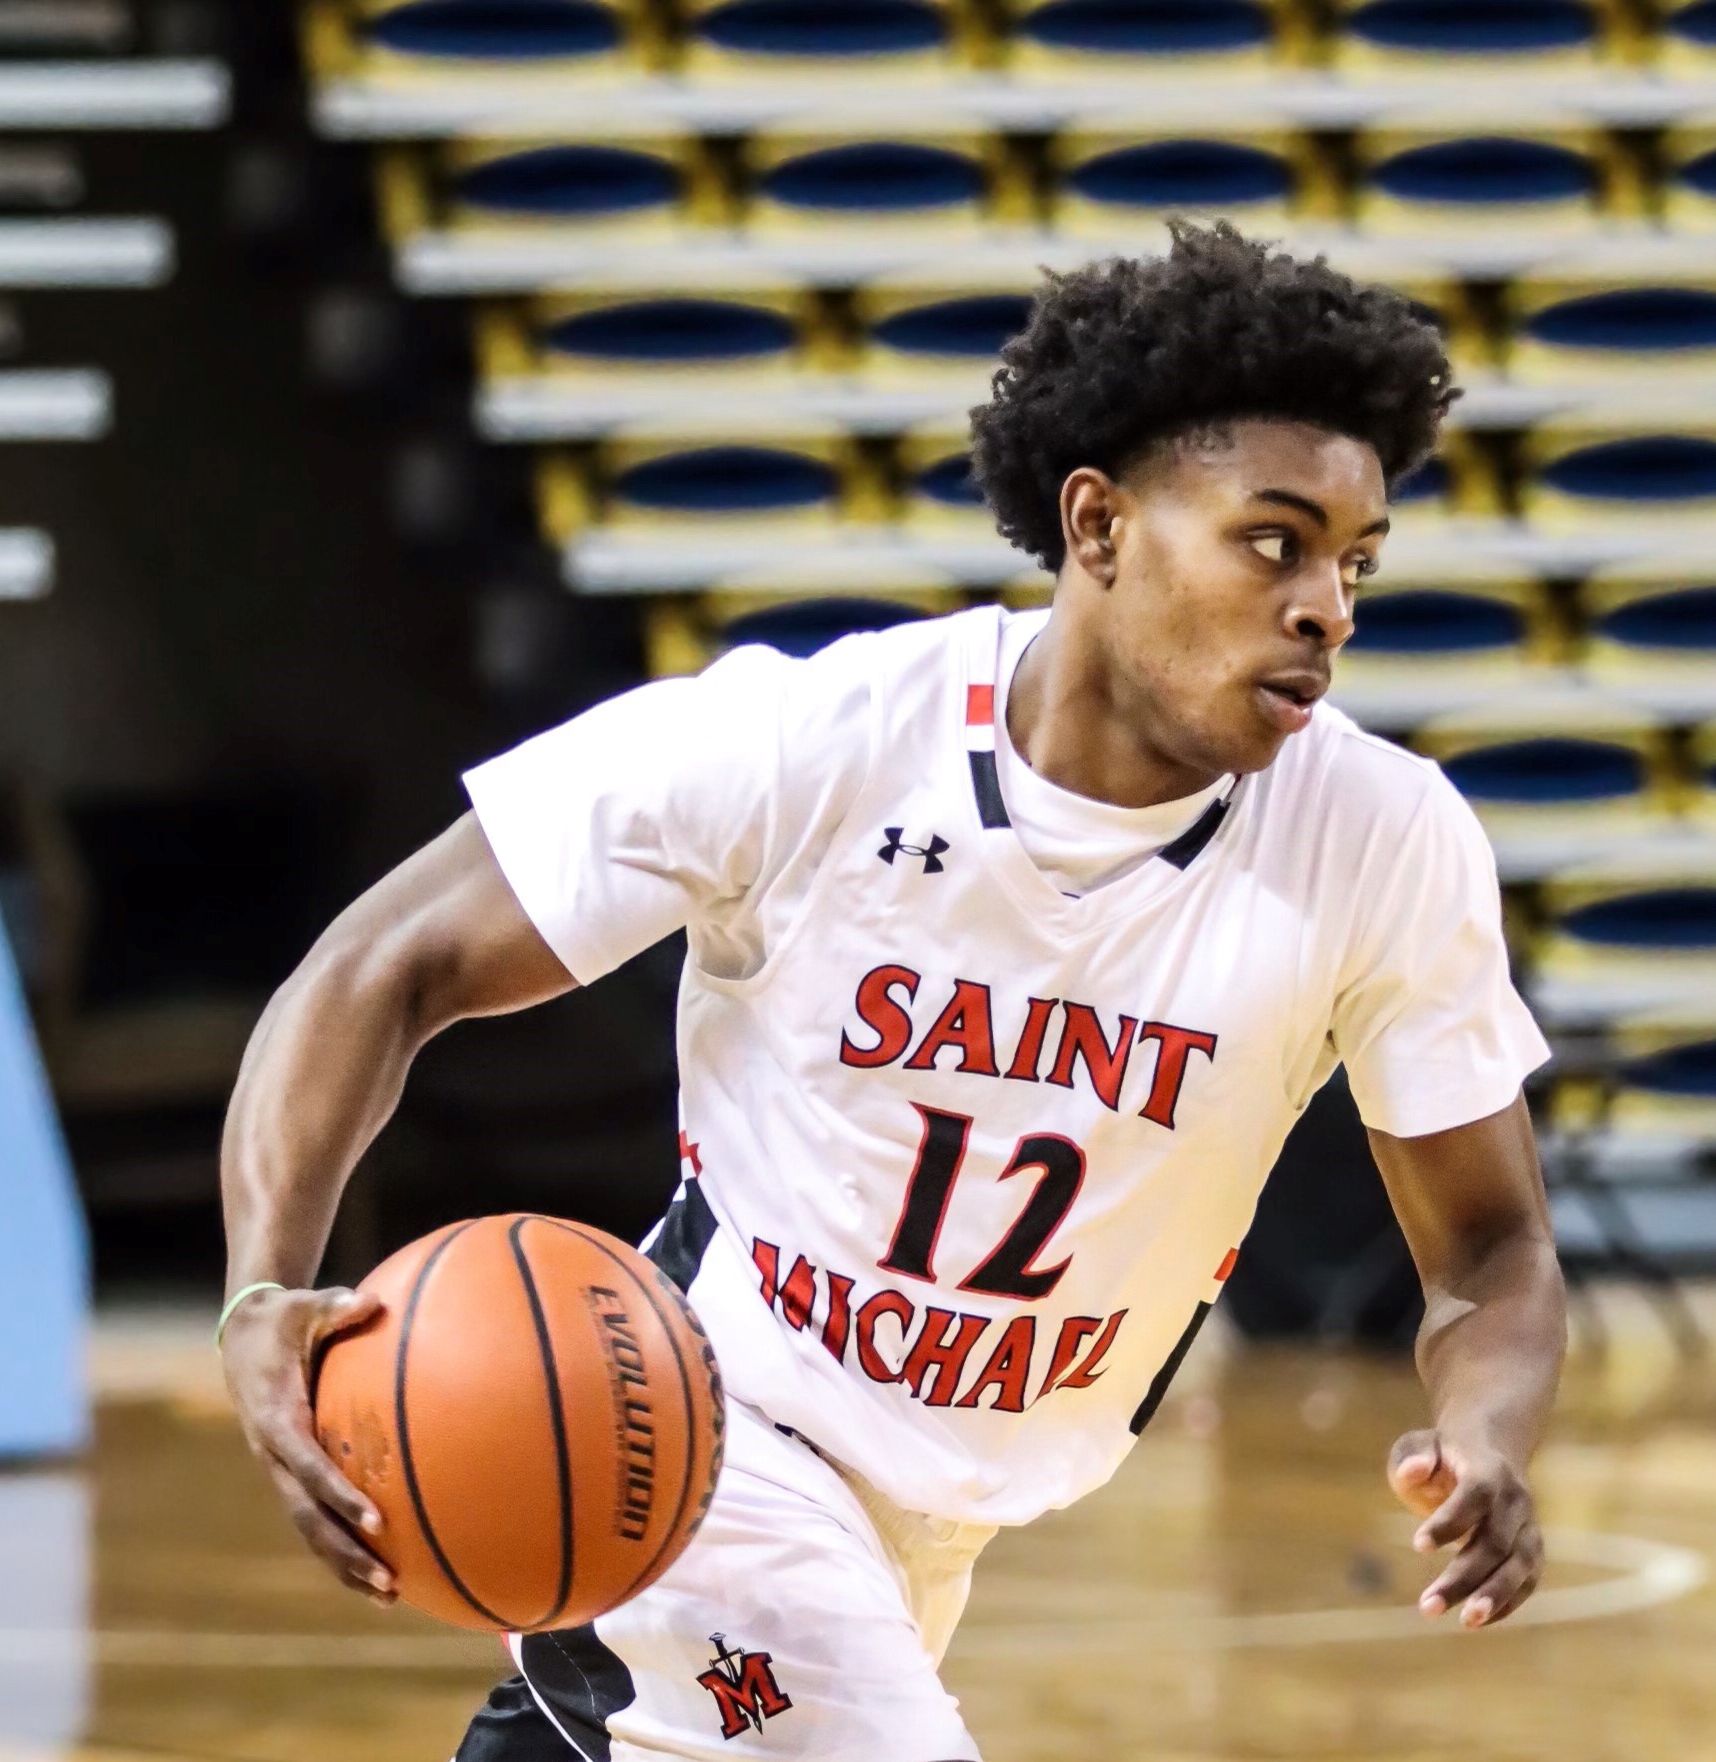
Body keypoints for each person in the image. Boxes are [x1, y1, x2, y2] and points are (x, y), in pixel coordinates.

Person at [218, 221, 1565, 1762]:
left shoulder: (1384, 841)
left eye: (1355, 558)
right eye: (1274, 539)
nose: (1328, 602)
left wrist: (1488, 1432)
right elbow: (379, 964)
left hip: (941, 1527)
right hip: (705, 1445)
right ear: (1098, 523)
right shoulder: (816, 745)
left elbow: (1492, 1239)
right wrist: (266, 1283)